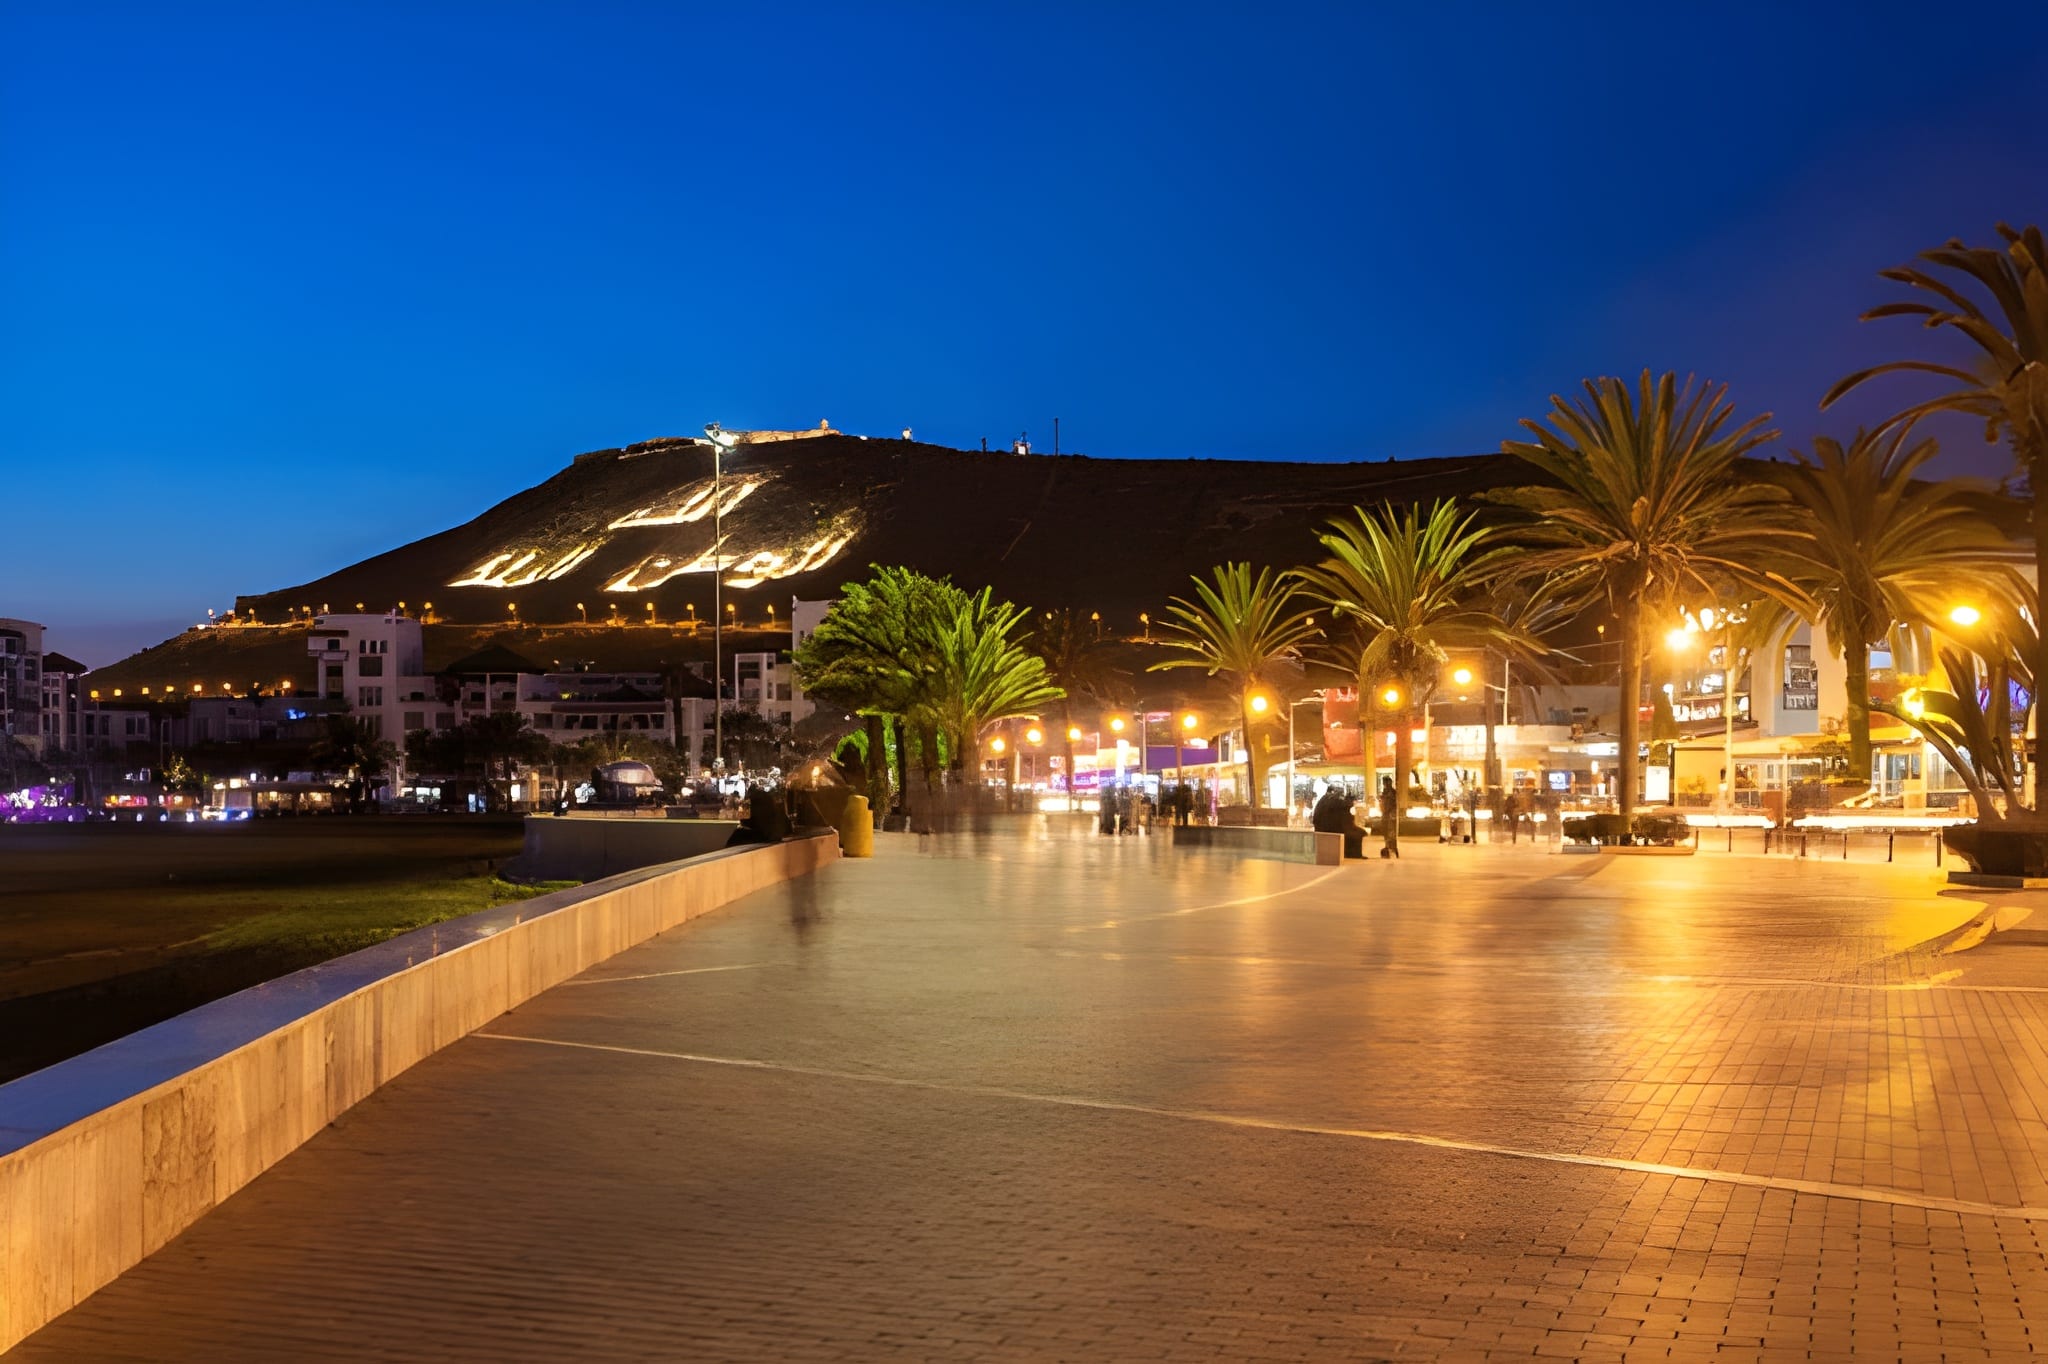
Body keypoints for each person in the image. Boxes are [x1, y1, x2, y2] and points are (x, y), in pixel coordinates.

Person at [1377, 776, 1401, 859]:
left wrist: (1391, 814)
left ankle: (1392, 849)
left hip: (1389, 815)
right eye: (1384, 782)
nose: (1385, 784)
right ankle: (1388, 848)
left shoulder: (1392, 792)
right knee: (1386, 832)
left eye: (1385, 782)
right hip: (1385, 814)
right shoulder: (1386, 792)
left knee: (1390, 833)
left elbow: (1393, 804)